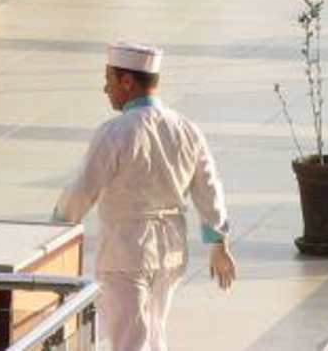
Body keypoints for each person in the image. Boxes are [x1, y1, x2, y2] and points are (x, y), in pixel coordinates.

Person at [54, 40, 235, 351]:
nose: (105, 88)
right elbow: (209, 188)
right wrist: (219, 242)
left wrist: (55, 231)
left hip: (127, 249)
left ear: (127, 82)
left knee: (130, 339)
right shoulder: (186, 128)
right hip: (171, 250)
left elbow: (82, 189)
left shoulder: (115, 132)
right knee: (154, 332)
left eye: (109, 79)